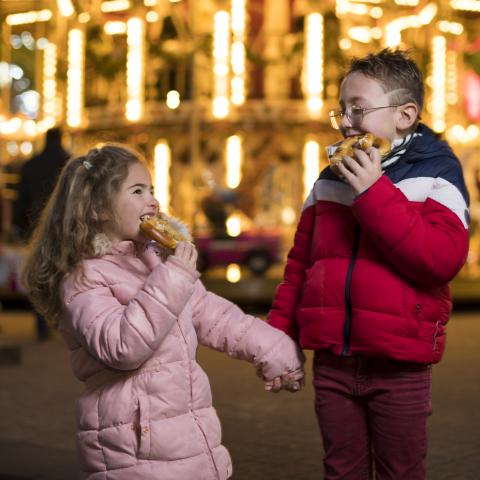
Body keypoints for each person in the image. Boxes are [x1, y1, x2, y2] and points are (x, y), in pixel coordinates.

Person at [21, 144, 304, 480]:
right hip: (134, 449)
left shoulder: (155, 259)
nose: (153, 200)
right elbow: (122, 347)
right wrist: (172, 278)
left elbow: (214, 315)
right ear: (97, 208)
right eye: (137, 191)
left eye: (151, 190)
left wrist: (276, 350)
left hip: (187, 436)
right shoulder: (84, 277)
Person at [268, 48, 469, 479]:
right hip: (334, 362)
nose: (344, 122)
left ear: (404, 115)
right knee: (341, 469)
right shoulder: (327, 181)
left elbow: (440, 260)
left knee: (401, 470)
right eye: (340, 111)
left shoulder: (437, 173)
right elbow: (300, 267)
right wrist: (276, 342)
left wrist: (374, 192)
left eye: (358, 110)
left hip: (399, 364)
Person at [14, 127, 70, 340]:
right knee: (64, 272)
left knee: (39, 273)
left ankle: (40, 324)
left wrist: (19, 225)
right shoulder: (69, 163)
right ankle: (61, 321)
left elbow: (21, 198)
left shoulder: (30, 165)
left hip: (35, 225)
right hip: (63, 227)